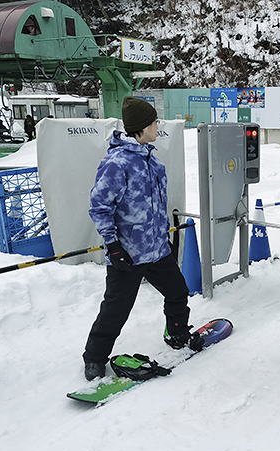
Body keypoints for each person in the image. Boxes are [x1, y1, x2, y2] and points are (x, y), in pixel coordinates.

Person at [82, 96, 203, 381]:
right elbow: (99, 206)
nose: (157, 125)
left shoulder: (153, 162)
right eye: (154, 121)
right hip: (127, 253)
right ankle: (94, 357)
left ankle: (177, 335)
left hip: (157, 250)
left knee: (177, 292)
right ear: (142, 127)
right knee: (116, 309)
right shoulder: (117, 164)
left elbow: (157, 205)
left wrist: (163, 236)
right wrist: (112, 246)